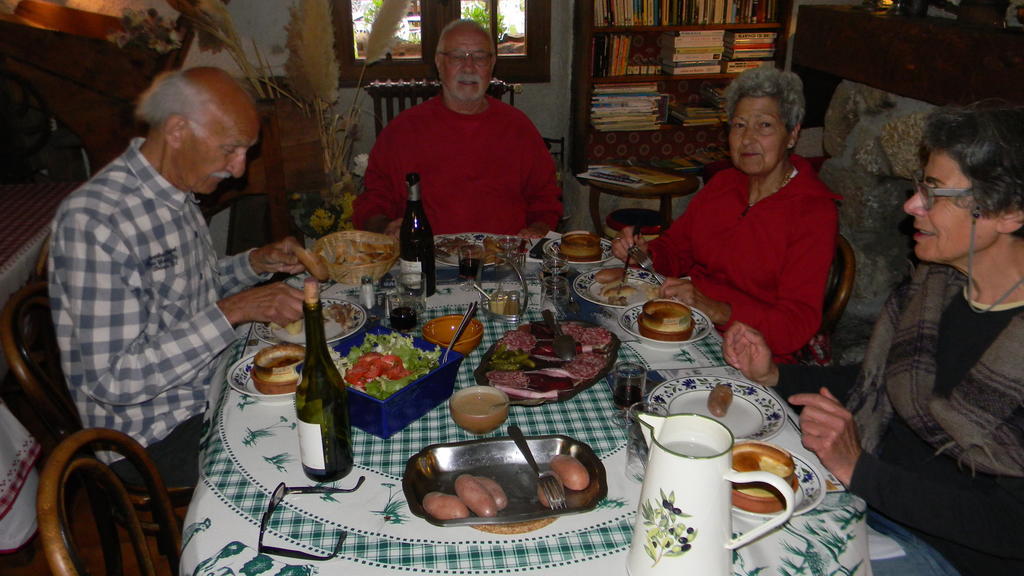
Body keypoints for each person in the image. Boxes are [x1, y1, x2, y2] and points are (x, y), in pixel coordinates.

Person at [723, 104, 1024, 576]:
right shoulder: (933, 288)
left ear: (1008, 213)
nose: (912, 205)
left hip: (952, 555)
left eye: (936, 193)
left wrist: (859, 468)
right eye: (920, 185)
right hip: (868, 497)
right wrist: (774, 373)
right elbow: (874, 382)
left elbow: (1011, 525)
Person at [48, 67, 315, 488]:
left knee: (331, 388)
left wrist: (254, 264)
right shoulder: (98, 221)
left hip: (206, 388)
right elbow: (112, 380)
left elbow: (188, 294)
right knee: (312, 440)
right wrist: (234, 311)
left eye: (245, 151)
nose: (240, 168)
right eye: (230, 149)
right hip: (149, 437)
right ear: (177, 130)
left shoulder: (172, 192)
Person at [612, 66, 840, 362]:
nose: (747, 139)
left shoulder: (813, 212)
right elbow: (675, 249)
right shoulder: (723, 184)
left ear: (792, 134)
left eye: (765, 126)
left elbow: (794, 326)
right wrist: (646, 253)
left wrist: (717, 308)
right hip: (691, 329)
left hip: (755, 355)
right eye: (739, 125)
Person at [353, 19, 562, 238]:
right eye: (457, 56)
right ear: (438, 63)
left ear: (492, 65)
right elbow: (372, 203)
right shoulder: (401, 132)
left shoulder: (518, 129)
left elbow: (545, 200)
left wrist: (538, 229)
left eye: (480, 57)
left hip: (505, 263)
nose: (469, 66)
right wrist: (384, 227)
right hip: (428, 264)